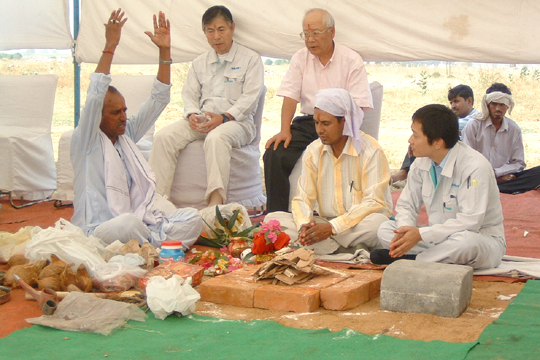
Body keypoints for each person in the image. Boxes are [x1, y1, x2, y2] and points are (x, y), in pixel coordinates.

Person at [71, 9, 202, 249]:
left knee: (193, 218)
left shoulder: (126, 135)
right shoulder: (86, 140)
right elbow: (95, 93)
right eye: (115, 113)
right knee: (127, 224)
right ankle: (155, 246)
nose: (123, 117)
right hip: (99, 231)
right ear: (96, 117)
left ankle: (148, 246)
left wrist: (165, 51)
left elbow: (158, 100)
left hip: (140, 225)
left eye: (124, 110)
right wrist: (110, 46)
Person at [149, 5, 264, 207]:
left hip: (238, 123)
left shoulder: (251, 59)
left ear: (232, 28)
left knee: (216, 137)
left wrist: (225, 117)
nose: (216, 36)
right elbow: (190, 94)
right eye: (210, 31)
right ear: (205, 33)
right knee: (163, 136)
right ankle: (156, 202)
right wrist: (192, 114)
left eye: (221, 29)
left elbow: (250, 98)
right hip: (204, 119)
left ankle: (215, 204)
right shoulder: (199, 62)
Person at [263, 8, 373, 213]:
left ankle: (339, 215)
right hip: (308, 122)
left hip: (341, 124)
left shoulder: (351, 59)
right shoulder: (300, 58)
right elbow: (290, 95)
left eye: (315, 33)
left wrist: (343, 130)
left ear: (331, 32)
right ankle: (276, 219)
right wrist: (284, 130)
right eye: (306, 34)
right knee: (275, 153)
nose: (310, 40)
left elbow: (358, 105)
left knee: (333, 153)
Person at [374, 104, 505, 270]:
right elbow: (407, 205)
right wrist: (404, 232)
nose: (410, 140)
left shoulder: (475, 167)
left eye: (415, 134)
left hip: (480, 239)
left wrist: (422, 234)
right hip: (438, 239)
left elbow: (471, 221)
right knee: (385, 229)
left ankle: (413, 261)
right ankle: (427, 258)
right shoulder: (421, 162)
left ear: (437, 142)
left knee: (466, 244)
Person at [265, 88, 392, 256]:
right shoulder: (313, 150)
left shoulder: (370, 151)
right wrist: (304, 225)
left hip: (357, 225)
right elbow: (302, 198)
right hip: (325, 223)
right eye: (316, 124)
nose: (319, 130)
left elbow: (374, 202)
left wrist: (333, 228)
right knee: (273, 220)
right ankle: (346, 250)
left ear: (344, 122)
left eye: (326, 123)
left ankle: (326, 248)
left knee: (378, 225)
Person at [462, 83, 540, 194]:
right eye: (494, 104)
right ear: (487, 104)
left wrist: (498, 173)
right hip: (476, 178)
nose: (498, 108)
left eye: (502, 104)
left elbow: (518, 163)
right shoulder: (474, 125)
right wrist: (493, 176)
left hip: (505, 179)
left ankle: (498, 186)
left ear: (508, 106)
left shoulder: (513, 129)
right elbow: (466, 160)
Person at [391, 85, 478, 183]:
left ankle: (406, 173)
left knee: (427, 137)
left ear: (469, 101)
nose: (453, 105)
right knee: (418, 139)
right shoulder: (454, 118)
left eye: (457, 101)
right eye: (451, 102)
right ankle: (405, 171)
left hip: (457, 150)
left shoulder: (476, 120)